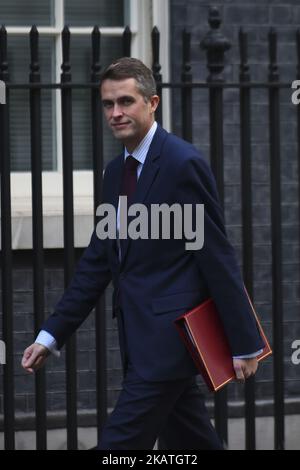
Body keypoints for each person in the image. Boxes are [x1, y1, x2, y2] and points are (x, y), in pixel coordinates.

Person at [22, 57, 264, 450]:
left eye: (126, 101)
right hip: (138, 340)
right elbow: (100, 261)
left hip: (167, 346)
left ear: (152, 103)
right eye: (108, 104)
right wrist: (51, 335)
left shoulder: (182, 163)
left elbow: (216, 257)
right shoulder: (115, 174)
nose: (115, 113)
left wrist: (245, 342)